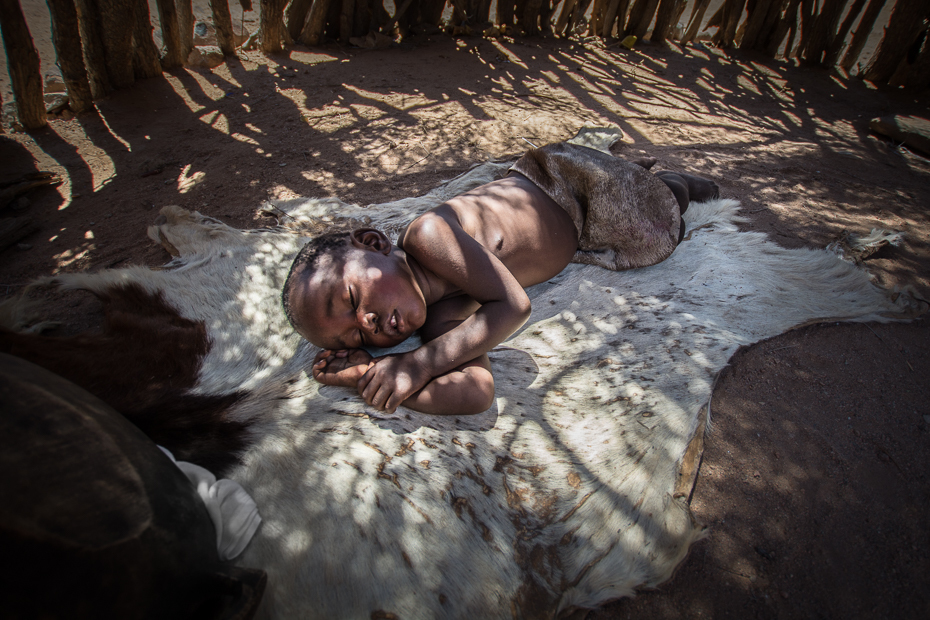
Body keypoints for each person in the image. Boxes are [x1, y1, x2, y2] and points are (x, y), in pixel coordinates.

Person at [281, 141, 718, 415]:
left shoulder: (427, 236)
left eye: (353, 299)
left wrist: (418, 363)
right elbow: (475, 394)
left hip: (563, 185)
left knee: (658, 223)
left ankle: (667, 180)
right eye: (356, 339)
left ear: (376, 243)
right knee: (633, 236)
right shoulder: (443, 317)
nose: (367, 325)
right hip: (579, 234)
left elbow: (514, 305)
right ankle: (650, 181)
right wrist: (371, 377)